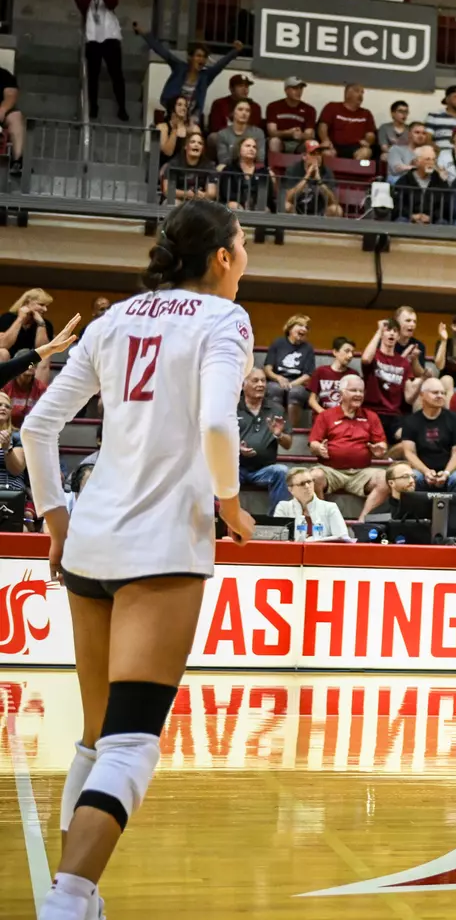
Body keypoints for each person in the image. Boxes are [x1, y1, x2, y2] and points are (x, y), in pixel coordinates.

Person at [19, 199, 256, 920]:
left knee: (95, 736)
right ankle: (67, 900)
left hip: (91, 537)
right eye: (242, 245)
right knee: (131, 744)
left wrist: (57, 517)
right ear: (222, 256)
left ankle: (78, 895)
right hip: (161, 542)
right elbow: (218, 420)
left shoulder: (114, 318)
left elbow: (37, 426)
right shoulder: (226, 320)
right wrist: (232, 505)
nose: (244, 257)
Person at [308, 374, 391, 520]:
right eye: (354, 390)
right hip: (331, 471)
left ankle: (364, 520)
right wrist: (318, 448)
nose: (358, 394)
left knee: (385, 478)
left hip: (361, 472)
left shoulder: (371, 416)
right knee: (313, 477)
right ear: (341, 393)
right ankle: (321, 519)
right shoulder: (326, 416)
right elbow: (314, 442)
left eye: (361, 391)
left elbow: (381, 443)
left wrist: (380, 449)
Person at [133, 21, 244, 125]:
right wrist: (144, 33)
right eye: (198, 56)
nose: (202, 59)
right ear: (190, 57)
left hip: (191, 119)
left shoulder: (206, 76)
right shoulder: (179, 67)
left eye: (204, 57)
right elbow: (161, 51)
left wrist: (236, 51)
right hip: (172, 114)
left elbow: (221, 64)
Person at [395, 377, 456, 493]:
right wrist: (425, 471)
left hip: (450, 471)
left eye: (443, 393)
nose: (440, 396)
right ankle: (416, 512)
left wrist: (446, 473)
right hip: (421, 470)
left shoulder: (454, 419)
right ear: (422, 395)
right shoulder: (410, 421)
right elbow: (409, 452)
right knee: (412, 478)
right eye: (435, 392)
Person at [74, 0, 129, 121]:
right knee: (93, 75)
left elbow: (112, 4)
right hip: (92, 39)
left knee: (116, 74)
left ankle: (122, 107)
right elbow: (83, 6)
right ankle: (93, 107)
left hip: (110, 37)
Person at [237, 370, 291, 509]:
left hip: (264, 469)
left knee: (282, 471)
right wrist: (237, 449)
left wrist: (279, 435)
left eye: (263, 381)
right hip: (236, 467)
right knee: (217, 474)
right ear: (243, 384)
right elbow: (219, 440)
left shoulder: (276, 409)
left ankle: (277, 522)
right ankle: (223, 523)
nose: (260, 384)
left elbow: (288, 444)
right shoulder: (233, 407)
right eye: (255, 381)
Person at [273, 469, 350, 540]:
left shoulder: (330, 507)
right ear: (291, 489)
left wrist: (310, 541)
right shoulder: (283, 508)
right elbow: (277, 538)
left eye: (309, 482)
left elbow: (343, 537)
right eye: (302, 484)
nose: (307, 486)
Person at [281, 140, 343, 217]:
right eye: (313, 154)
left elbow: (333, 201)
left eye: (319, 153)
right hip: (297, 212)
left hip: (320, 214)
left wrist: (319, 181)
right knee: (285, 206)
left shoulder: (327, 172)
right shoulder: (293, 170)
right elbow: (287, 198)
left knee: (336, 210)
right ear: (304, 156)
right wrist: (306, 177)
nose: (317, 157)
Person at [317, 83, 376, 160]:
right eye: (357, 91)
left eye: (362, 92)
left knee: (366, 152)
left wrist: (368, 141)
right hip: (333, 145)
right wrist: (325, 140)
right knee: (326, 154)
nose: (360, 95)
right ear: (347, 94)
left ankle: (356, 171)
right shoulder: (332, 107)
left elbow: (370, 135)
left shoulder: (366, 113)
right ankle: (327, 172)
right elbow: (322, 126)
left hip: (356, 147)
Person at [264, 77, 318, 155]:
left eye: (301, 88)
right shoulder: (273, 106)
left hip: (299, 144)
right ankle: (274, 167)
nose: (299, 91)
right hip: (281, 141)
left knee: (312, 143)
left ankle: (306, 167)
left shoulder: (309, 110)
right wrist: (288, 133)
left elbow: (309, 135)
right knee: (274, 141)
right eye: (295, 88)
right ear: (286, 90)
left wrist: (301, 135)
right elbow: (271, 132)